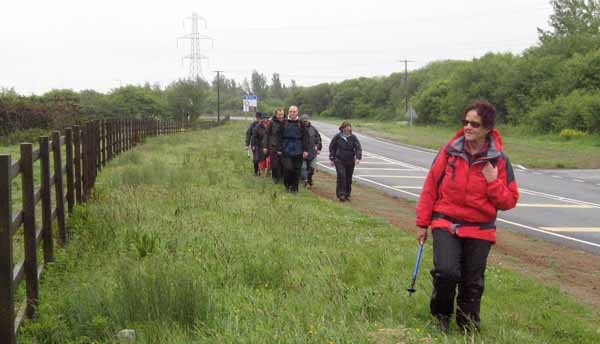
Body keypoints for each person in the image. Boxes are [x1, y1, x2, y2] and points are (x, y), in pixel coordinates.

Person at [415, 100, 519, 333]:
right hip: (445, 221)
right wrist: (422, 223)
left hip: (480, 228)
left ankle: (467, 325)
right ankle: (441, 315)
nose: (468, 127)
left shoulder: (499, 160)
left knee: (472, 281)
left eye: (474, 123)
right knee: (447, 271)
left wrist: (493, 180)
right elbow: (430, 186)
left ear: (487, 128)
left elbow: (509, 201)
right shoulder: (449, 151)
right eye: (465, 122)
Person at [329, 121, 361, 201]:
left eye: (349, 127)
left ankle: (347, 194)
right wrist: (332, 158)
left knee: (348, 178)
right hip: (339, 160)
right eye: (346, 127)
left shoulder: (353, 137)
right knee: (341, 176)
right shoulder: (337, 137)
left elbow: (358, 148)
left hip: (350, 161)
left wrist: (358, 157)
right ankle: (341, 194)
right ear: (342, 128)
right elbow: (332, 147)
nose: (347, 129)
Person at [281, 105, 308, 193]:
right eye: (291, 111)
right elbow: (278, 136)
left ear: (297, 112)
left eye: (294, 111)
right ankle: (287, 186)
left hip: (298, 150)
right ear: (288, 112)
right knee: (288, 169)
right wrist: (279, 148)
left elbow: (305, 138)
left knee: (297, 170)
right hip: (286, 150)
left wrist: (305, 150)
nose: (292, 113)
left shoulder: (301, 124)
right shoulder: (283, 123)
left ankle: (295, 188)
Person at [263, 108, 286, 184]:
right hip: (273, 146)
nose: (280, 116)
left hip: (283, 146)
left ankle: (282, 178)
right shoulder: (271, 122)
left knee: (283, 163)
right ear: (276, 114)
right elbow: (266, 134)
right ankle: (275, 178)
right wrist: (265, 146)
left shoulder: (286, 122)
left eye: (282, 114)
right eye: (279, 114)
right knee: (274, 164)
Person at [300, 114, 322, 188]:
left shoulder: (313, 129)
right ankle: (305, 181)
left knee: (311, 169)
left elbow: (318, 139)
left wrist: (318, 148)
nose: (305, 122)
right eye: (303, 121)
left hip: (312, 152)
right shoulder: (299, 128)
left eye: (306, 120)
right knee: (303, 168)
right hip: (302, 152)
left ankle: (309, 179)